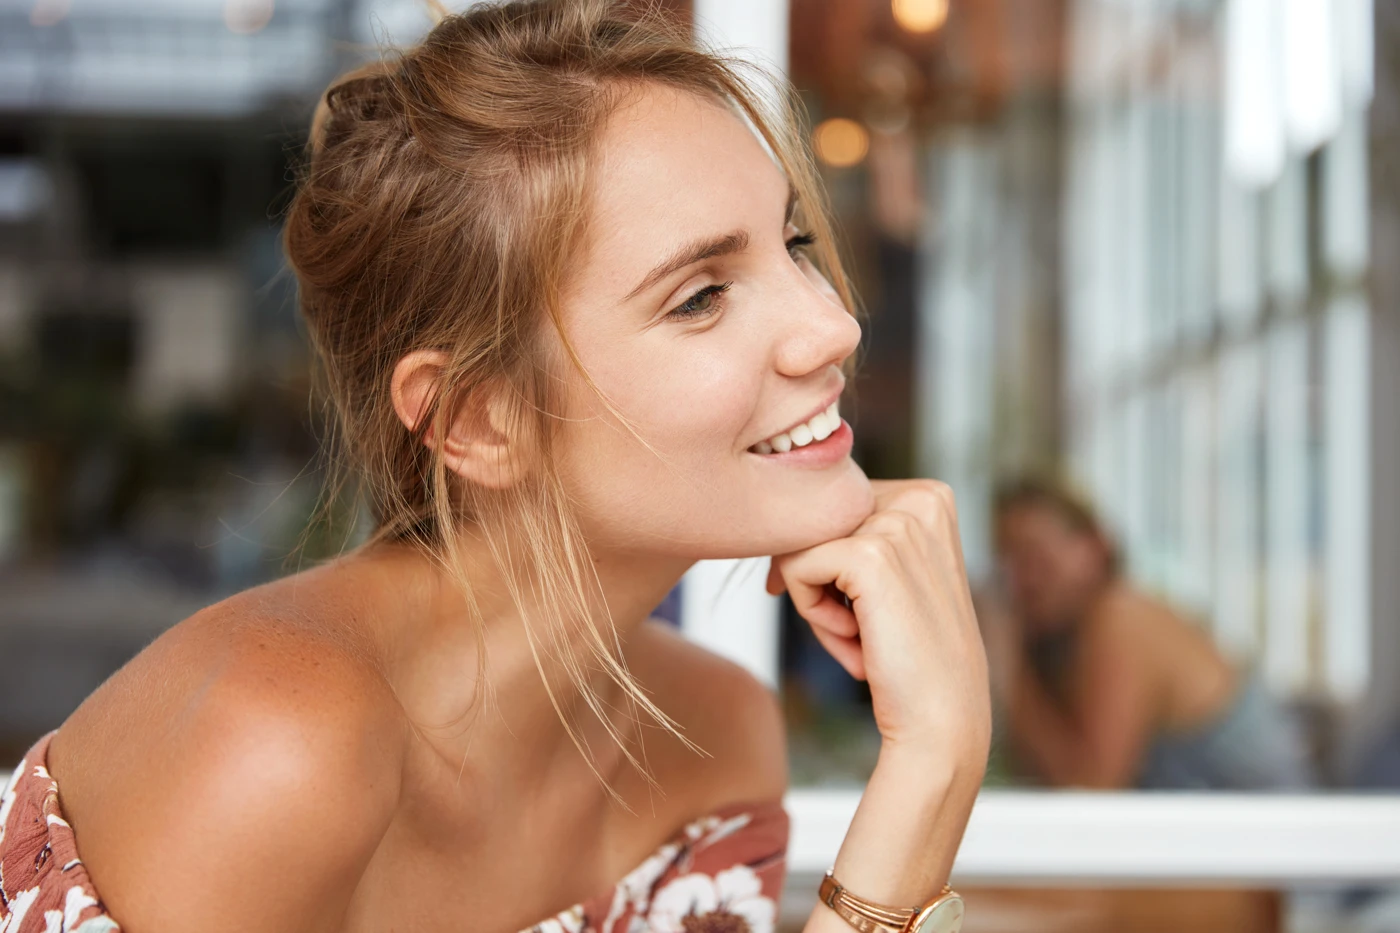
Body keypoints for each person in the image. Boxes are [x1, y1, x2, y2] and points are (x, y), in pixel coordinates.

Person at [0, 3, 991, 932]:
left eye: (794, 243)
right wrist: (930, 776)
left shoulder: (712, 739)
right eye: (699, 296)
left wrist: (935, 753)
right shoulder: (272, 741)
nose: (834, 325)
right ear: (476, 418)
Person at [988, 476, 1313, 791]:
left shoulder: (1121, 616)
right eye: (1008, 563)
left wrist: (1008, 670)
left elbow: (1089, 791)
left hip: (1278, 838)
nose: (1023, 581)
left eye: (1036, 556)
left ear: (1096, 546)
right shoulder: (1064, 644)